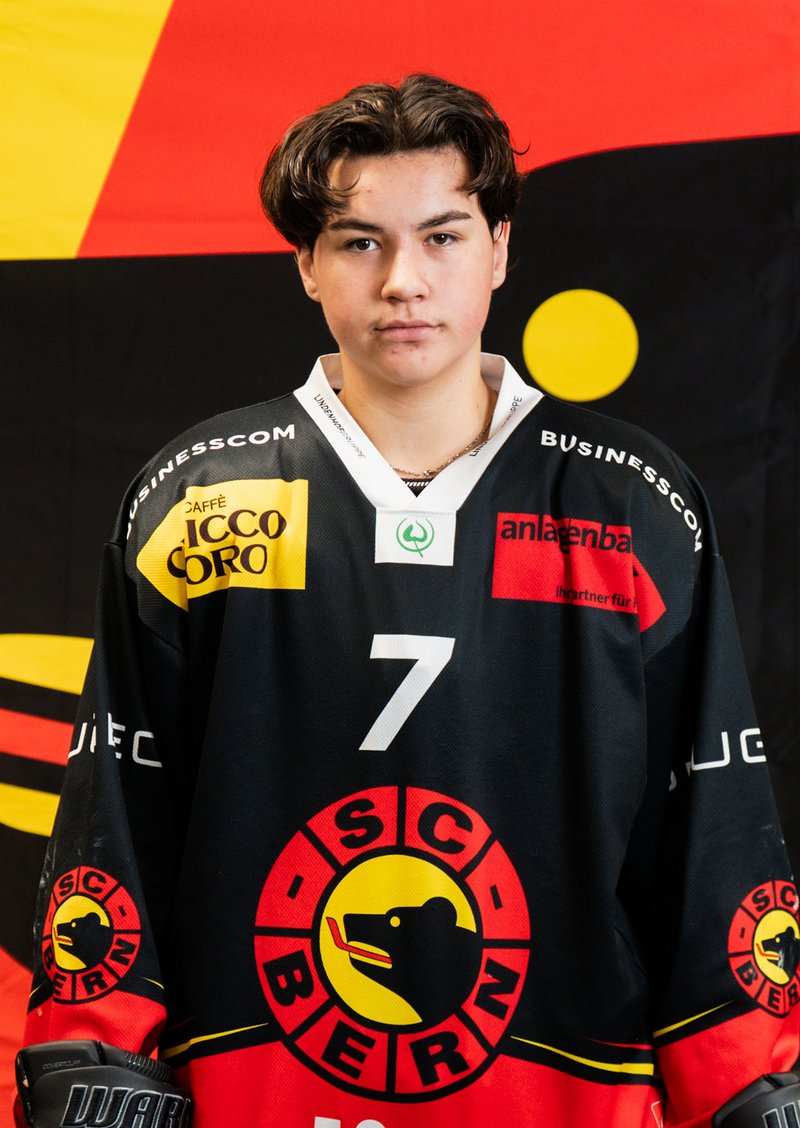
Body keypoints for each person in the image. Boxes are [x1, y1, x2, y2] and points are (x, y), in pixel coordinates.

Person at [15, 74, 800, 1128]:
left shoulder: (628, 506)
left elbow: (713, 822)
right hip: (259, 1087)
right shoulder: (198, 499)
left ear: (499, 250)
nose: (402, 282)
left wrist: (746, 1081)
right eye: (358, 242)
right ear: (305, 263)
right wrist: (91, 1050)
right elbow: (117, 802)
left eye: (442, 237)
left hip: (562, 1090)